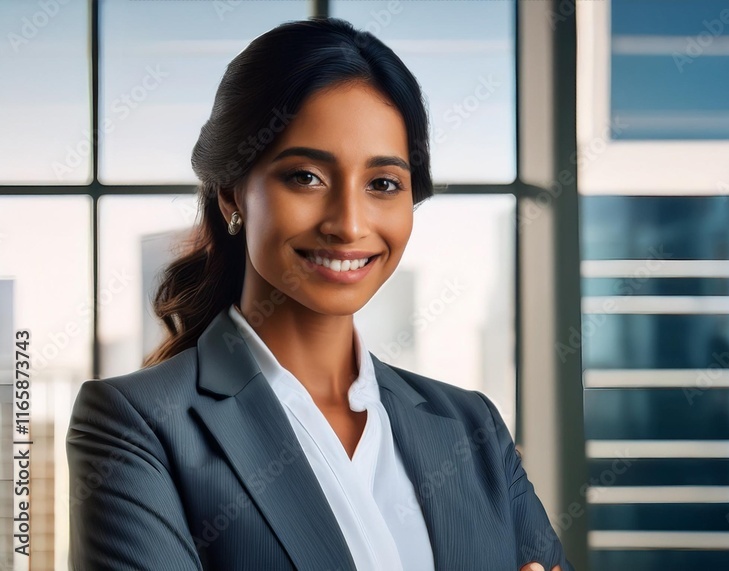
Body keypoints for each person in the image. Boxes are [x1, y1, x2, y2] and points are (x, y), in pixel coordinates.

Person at [66, 17, 572, 571]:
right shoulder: (137, 424)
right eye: (306, 176)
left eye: (383, 184)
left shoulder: (472, 426)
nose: (348, 224)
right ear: (233, 193)